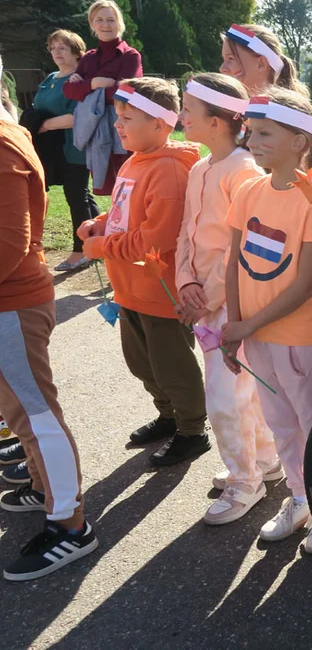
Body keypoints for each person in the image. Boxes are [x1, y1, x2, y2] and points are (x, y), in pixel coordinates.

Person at [222, 87, 312, 554]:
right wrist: (235, 329)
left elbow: (304, 283)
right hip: (255, 337)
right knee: (279, 423)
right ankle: (299, 497)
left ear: (301, 141)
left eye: (266, 132)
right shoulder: (249, 188)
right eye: (251, 131)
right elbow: (234, 263)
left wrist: (246, 327)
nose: (253, 140)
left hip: (296, 338)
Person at [79, 77, 209, 467]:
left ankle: (192, 430)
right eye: (118, 116)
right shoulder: (137, 159)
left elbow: (157, 236)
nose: (117, 124)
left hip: (159, 291)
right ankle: (168, 415)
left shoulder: (169, 170)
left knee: (172, 365)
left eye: (127, 117)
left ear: (161, 124)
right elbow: (127, 213)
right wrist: (102, 223)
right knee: (142, 363)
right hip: (130, 287)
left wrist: (101, 246)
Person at [0, 71, 97, 581]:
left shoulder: (1, 143)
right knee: (21, 413)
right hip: (8, 302)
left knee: (37, 415)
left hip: (11, 302)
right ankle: (44, 487)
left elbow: (8, 243)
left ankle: (70, 525)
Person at [175, 73, 282, 526]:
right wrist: (184, 283)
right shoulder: (200, 167)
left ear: (217, 121)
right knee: (239, 392)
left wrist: (209, 295)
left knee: (225, 395)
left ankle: (244, 481)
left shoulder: (242, 170)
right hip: (203, 301)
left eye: (187, 109)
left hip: (229, 304)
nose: (180, 117)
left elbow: (242, 246)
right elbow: (186, 233)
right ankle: (263, 461)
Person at [32, 30, 100, 272]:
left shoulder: (80, 78)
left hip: (75, 145)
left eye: (62, 47)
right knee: (82, 195)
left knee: (76, 195)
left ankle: (80, 251)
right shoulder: (51, 77)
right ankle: (98, 241)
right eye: (53, 48)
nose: (57, 53)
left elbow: (78, 116)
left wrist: (44, 125)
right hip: (54, 148)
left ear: (75, 50)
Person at [63, 0, 142, 195]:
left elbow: (125, 92)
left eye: (111, 20)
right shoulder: (89, 58)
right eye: (99, 20)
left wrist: (84, 89)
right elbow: (68, 90)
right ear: (92, 23)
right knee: (112, 191)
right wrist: (94, 84)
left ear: (119, 23)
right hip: (95, 131)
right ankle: (116, 225)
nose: (105, 25)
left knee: (130, 187)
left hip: (123, 130)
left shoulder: (130, 56)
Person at [219, 24, 307, 96]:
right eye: (224, 59)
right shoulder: (238, 111)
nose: (222, 68)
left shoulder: (278, 115)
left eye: (231, 58)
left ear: (261, 63)